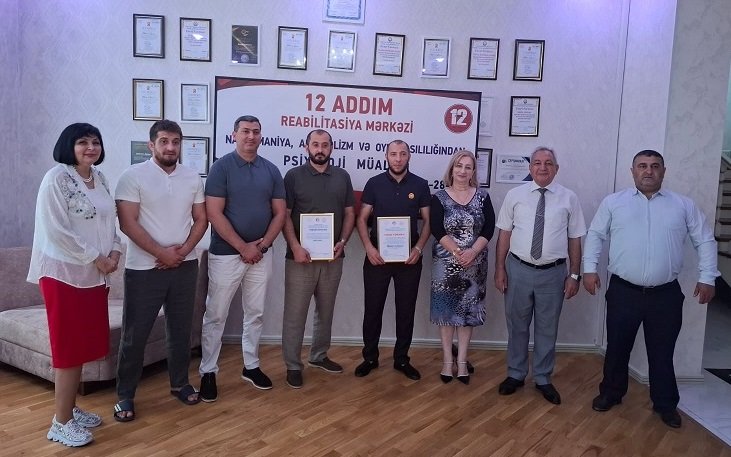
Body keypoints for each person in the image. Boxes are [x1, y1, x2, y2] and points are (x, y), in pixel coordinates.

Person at [583, 149, 718, 428]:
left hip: (665, 294)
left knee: (662, 352)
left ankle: (665, 404)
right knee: (617, 347)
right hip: (623, 292)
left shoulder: (683, 205)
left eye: (655, 166)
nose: (648, 171)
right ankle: (611, 393)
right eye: (642, 166)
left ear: (663, 172)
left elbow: (704, 240)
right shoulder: (614, 203)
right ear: (632, 171)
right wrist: (589, 269)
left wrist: (708, 277)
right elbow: (595, 235)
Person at [28, 123, 121, 447]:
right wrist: (98, 258)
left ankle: (69, 408)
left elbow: (109, 222)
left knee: (82, 345)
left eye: (95, 142)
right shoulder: (56, 178)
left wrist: (115, 251)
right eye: (83, 142)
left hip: (93, 277)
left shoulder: (100, 178)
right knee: (68, 348)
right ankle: (60, 422)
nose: (90, 147)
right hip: (64, 275)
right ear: (69, 145)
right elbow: (56, 230)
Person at [113, 120, 208, 421]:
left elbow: (201, 219)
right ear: (151, 145)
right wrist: (161, 253)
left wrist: (181, 251)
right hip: (144, 269)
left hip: (185, 265)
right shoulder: (132, 176)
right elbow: (127, 223)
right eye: (164, 141)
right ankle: (125, 395)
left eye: (175, 142)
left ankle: (180, 383)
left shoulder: (192, 177)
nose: (170, 147)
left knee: (181, 330)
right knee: (135, 334)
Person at [199, 115, 286, 399]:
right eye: (245, 131)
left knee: (255, 313)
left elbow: (280, 214)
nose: (251, 136)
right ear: (234, 134)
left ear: (261, 136)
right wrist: (243, 247)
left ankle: (251, 366)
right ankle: (208, 371)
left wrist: (261, 247)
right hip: (226, 255)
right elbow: (214, 214)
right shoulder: (221, 168)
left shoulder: (271, 170)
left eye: (256, 131)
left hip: (261, 255)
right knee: (216, 315)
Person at [494, 147, 586, 405]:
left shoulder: (569, 198)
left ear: (556, 168)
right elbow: (504, 234)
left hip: (553, 274)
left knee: (547, 328)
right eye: (537, 163)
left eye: (548, 163)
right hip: (518, 270)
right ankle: (515, 374)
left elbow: (575, 238)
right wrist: (499, 268)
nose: (542, 167)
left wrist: (574, 275)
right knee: (517, 325)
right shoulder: (514, 195)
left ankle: (543, 377)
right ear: (530, 167)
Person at [281, 129, 355, 388]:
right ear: (306, 147)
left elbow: (349, 213)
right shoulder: (293, 176)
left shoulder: (342, 177)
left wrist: (342, 242)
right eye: (315, 144)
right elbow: (284, 215)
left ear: (331, 148)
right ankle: (293, 364)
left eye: (325, 145)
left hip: (333, 258)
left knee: (326, 311)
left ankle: (319, 355)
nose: (320, 149)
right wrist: (295, 246)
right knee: (295, 314)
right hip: (300, 258)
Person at [354, 139, 431, 381]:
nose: (398, 159)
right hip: (377, 258)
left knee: (406, 311)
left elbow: (428, 221)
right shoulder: (374, 183)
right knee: (373, 309)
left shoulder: (420, 185)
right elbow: (361, 218)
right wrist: (369, 248)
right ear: (386, 156)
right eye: (393, 154)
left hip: (409, 260)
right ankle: (370, 357)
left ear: (409, 156)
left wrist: (418, 248)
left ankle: (402, 359)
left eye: (402, 154)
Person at [430, 150, 495, 385]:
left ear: (473, 171)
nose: (462, 171)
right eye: (459, 166)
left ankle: (463, 361)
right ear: (452, 168)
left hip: (475, 265)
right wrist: (458, 252)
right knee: (447, 314)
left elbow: (489, 228)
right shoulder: (439, 197)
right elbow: (437, 229)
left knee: (468, 314)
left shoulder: (483, 196)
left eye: (468, 167)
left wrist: (472, 252)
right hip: (446, 263)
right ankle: (448, 362)